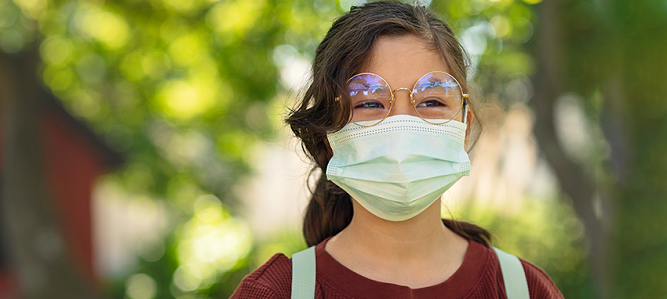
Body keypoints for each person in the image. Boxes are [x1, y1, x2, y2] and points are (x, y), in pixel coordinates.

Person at [231, 1, 563, 298]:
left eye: (432, 100)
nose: (402, 124)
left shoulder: (525, 289)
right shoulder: (274, 292)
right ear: (327, 136)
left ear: (463, 128)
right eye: (370, 102)